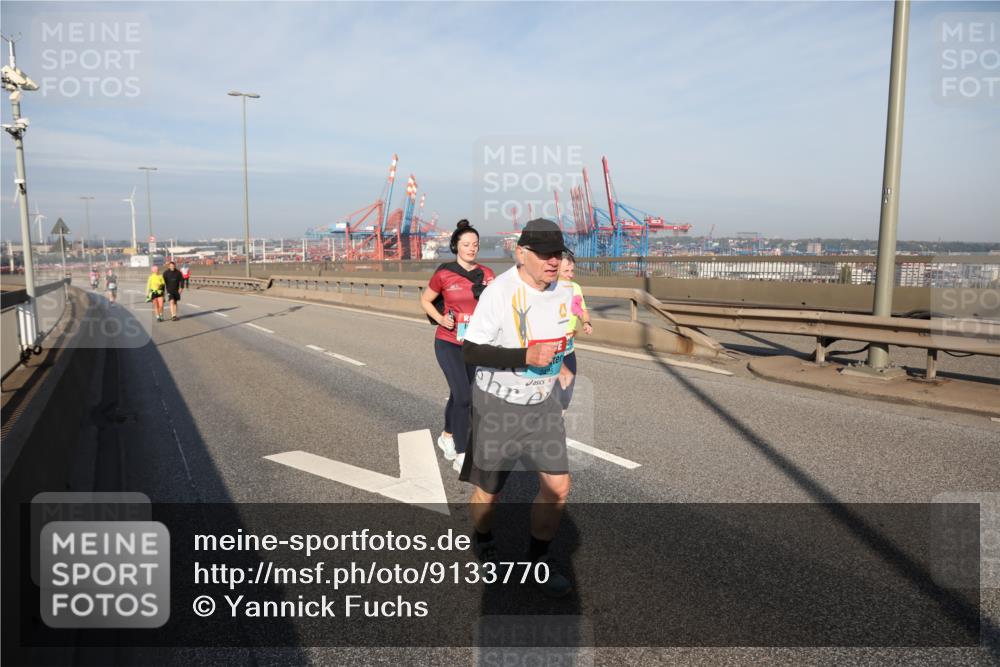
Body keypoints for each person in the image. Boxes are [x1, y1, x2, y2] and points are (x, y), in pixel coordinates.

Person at [459, 218, 575, 598]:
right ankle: (484, 538)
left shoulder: (566, 291)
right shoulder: (499, 292)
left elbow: (564, 341)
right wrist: (525, 355)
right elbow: (471, 350)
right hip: (497, 404)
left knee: (557, 488)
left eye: (556, 254)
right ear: (521, 254)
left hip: (543, 404)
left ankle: (537, 562)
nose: (552, 261)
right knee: (489, 494)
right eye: (543, 254)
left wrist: (565, 368)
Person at [420, 220, 495, 473]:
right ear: (456, 246)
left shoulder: (487, 274)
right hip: (448, 342)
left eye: (475, 244)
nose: (471, 248)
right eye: (466, 244)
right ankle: (463, 453)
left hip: (475, 344)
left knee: (458, 393)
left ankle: (448, 435)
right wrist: (441, 318)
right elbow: (426, 300)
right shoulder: (444, 274)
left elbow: (495, 307)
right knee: (465, 396)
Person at [554, 253, 592, 411]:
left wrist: (586, 322)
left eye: (572, 271)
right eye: (566, 271)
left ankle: (559, 416)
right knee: (552, 391)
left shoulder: (576, 288)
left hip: (569, 348)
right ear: (555, 270)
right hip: (553, 348)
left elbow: (582, 310)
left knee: (568, 387)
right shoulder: (550, 289)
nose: (570, 275)